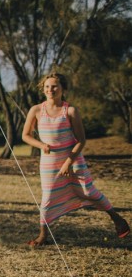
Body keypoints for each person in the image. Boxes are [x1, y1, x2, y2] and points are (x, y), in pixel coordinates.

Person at [21, 71, 129, 247]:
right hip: (49, 162)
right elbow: (25, 135)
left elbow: (81, 140)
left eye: (55, 86)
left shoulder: (70, 110)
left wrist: (68, 162)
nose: (51, 89)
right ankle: (43, 235)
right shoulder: (36, 110)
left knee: (88, 192)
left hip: (73, 159)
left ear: (63, 88)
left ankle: (117, 219)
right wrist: (42, 146)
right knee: (47, 197)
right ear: (43, 89)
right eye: (47, 86)